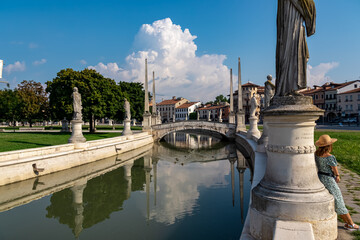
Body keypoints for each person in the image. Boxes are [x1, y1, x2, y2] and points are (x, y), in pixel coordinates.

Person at [315, 134, 359, 231]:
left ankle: (347, 223)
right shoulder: (330, 157)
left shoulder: (316, 155)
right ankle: (351, 224)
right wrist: (337, 176)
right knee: (339, 201)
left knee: (335, 201)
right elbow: (335, 171)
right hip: (329, 179)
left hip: (320, 177)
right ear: (329, 146)